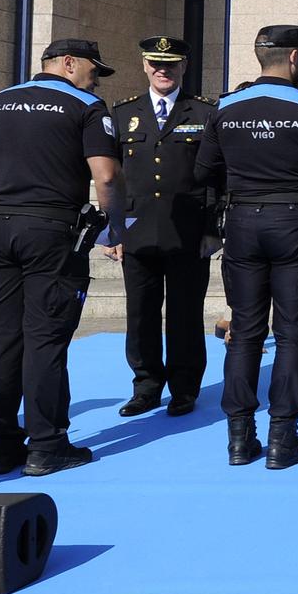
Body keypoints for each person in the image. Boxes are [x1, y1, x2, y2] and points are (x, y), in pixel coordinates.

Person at [0, 38, 125, 477]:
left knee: (0, 340)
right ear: (68, 63)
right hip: (52, 229)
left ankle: (0, 445)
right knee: (45, 338)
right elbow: (105, 174)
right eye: (93, 68)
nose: (96, 78)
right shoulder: (86, 106)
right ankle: (47, 445)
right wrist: (111, 226)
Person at [194, 25, 298, 470]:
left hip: (243, 220)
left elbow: (202, 170)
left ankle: (239, 438)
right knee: (291, 330)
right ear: (294, 59)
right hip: (294, 222)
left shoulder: (225, 107)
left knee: (245, 330)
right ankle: (284, 435)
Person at [111, 36, 216, 419]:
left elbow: (213, 178)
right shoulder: (123, 113)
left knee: (185, 314)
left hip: (187, 230)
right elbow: (112, 176)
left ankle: (184, 388)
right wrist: (114, 229)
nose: (163, 70)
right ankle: (146, 386)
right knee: (140, 313)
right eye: (156, 63)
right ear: (143, 65)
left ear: (184, 67)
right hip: (138, 230)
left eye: (171, 64)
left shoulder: (204, 112)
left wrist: (212, 228)